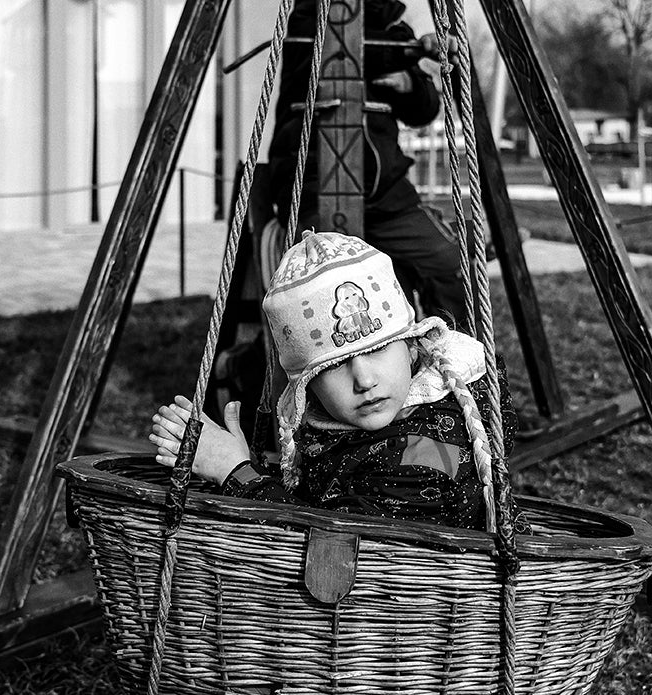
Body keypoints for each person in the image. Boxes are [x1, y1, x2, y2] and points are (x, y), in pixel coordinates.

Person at [150, 231, 513, 531]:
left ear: (412, 347)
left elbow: (333, 551)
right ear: (308, 389)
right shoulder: (359, 428)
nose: (365, 379)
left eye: (378, 350)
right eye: (334, 366)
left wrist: (235, 471)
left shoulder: (423, 454)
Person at [266, 0, 465, 328]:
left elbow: (424, 110)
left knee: (448, 259)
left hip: (386, 192)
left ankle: (446, 349)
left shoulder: (394, 31)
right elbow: (343, 49)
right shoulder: (310, 14)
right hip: (317, 184)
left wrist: (410, 83)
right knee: (329, 288)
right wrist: (409, 53)